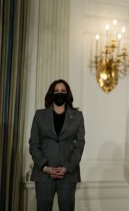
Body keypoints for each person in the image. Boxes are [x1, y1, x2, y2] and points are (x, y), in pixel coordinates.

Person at [29, 79, 85, 211]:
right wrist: (44, 166)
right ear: (51, 94)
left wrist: (67, 167)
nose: (60, 93)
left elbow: (80, 144)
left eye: (63, 91)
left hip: (68, 175)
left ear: (68, 94)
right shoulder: (40, 115)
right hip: (43, 174)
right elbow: (33, 143)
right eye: (57, 91)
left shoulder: (77, 116)